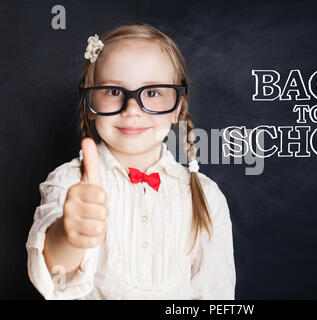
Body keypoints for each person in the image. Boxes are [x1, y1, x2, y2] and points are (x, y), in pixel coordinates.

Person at [25, 23, 236, 300]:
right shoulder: (69, 181)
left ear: (178, 108)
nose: (132, 109)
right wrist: (68, 234)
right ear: (91, 104)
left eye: (152, 92)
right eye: (114, 92)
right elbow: (53, 269)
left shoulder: (207, 197)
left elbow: (214, 294)